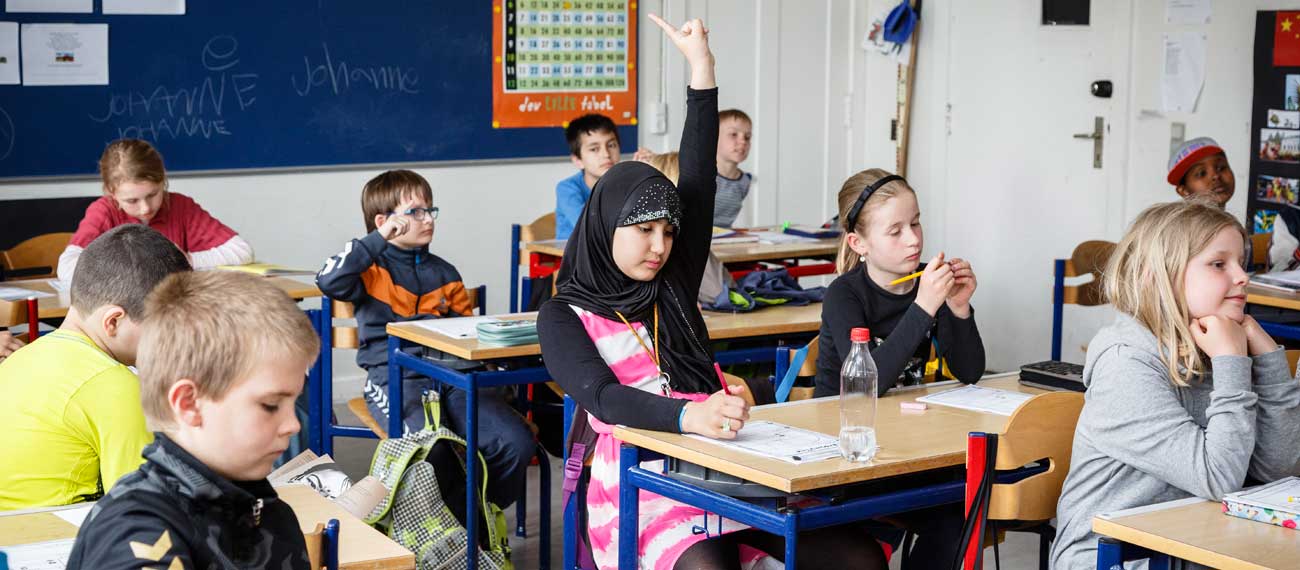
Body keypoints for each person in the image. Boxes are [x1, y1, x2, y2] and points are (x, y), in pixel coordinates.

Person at [538, 14, 885, 570]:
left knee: (857, 556)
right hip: (639, 476)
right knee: (709, 565)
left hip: (725, 458)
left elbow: (698, 178)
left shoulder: (670, 283)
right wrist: (689, 416)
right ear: (606, 227)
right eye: (644, 231)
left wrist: (703, 68)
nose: (660, 246)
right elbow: (604, 398)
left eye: (668, 232)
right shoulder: (563, 314)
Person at [1050, 198, 1300, 568]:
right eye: (1219, 264)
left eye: (1241, 262)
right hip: (1112, 556)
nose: (1243, 277)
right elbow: (1219, 478)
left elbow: (1279, 469)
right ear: (1160, 276)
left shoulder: (1214, 343)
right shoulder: (1125, 363)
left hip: (1195, 546)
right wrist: (1231, 362)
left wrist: (1268, 360)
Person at [67, 271, 318, 569]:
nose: (293, 425)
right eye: (271, 405)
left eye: (293, 401)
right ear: (189, 404)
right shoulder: (139, 532)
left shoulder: (270, 513)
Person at [315, 169, 533, 508]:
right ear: (384, 222)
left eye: (430, 210)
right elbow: (329, 280)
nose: (428, 219)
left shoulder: (446, 273)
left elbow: (467, 338)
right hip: (394, 379)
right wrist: (377, 239)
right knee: (433, 452)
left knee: (514, 442)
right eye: (415, 212)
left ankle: (478, 522)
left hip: (452, 378)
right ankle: (456, 529)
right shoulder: (369, 270)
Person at [0, 225, 190, 510]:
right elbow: (144, 508)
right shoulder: (118, 388)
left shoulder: (22, 357)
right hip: (51, 532)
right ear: (113, 322)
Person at [815, 168, 985, 397]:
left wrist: (959, 308)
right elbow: (866, 386)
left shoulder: (930, 281)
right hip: (840, 415)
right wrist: (924, 306)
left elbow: (970, 373)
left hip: (901, 414)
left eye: (915, 223)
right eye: (895, 232)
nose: (913, 239)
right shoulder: (843, 294)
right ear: (858, 243)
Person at [57, 139, 253, 282]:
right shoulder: (103, 211)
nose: (145, 208)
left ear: (163, 181)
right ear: (111, 192)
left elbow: (242, 250)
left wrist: (188, 260)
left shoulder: (180, 206)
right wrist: (128, 268)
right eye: (132, 200)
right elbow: (66, 267)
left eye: (152, 194)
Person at [556, 113, 622, 240]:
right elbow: (590, 229)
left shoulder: (624, 184)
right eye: (594, 149)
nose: (606, 154)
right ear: (578, 160)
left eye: (611, 145)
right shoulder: (567, 189)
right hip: (574, 252)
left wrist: (645, 174)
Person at [714, 109, 753, 228]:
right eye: (733, 134)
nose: (743, 141)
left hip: (724, 237)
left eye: (747, 137)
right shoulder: (701, 177)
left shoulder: (744, 182)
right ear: (713, 137)